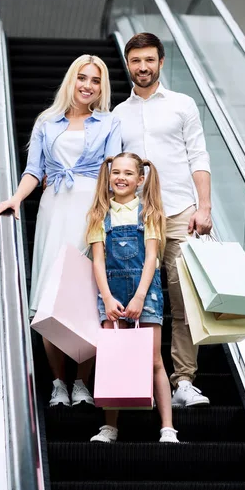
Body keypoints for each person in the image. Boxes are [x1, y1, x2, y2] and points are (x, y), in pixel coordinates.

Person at [0, 54, 122, 407]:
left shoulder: (109, 123)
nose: (88, 85)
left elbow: (111, 173)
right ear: (71, 80)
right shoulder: (46, 122)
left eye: (95, 80)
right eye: (82, 78)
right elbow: (33, 169)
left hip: (91, 210)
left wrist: (107, 215)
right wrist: (17, 199)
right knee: (50, 296)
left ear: (102, 87)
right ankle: (57, 382)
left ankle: (82, 382)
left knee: (86, 296)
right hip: (54, 209)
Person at [113, 33, 212, 407]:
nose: (143, 67)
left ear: (161, 62)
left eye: (149, 60)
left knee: (184, 299)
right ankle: (139, 381)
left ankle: (183, 380)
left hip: (181, 214)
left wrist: (204, 207)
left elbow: (198, 156)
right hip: (134, 221)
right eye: (136, 61)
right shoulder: (117, 115)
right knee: (136, 300)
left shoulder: (182, 105)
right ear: (128, 64)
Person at [87, 152, 178, 443]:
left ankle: (167, 427)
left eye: (128, 173)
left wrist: (139, 297)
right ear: (108, 176)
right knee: (113, 358)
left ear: (140, 180)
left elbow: (151, 258)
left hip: (145, 293)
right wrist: (107, 298)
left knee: (154, 361)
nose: (121, 178)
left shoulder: (149, 213)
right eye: (116, 173)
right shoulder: (99, 214)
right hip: (111, 295)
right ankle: (110, 426)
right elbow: (98, 261)